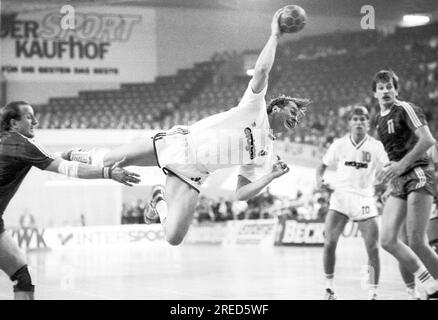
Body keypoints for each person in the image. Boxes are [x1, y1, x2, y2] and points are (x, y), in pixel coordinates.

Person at [65, 9, 311, 247]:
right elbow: (261, 70)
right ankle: (78, 154)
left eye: (299, 117)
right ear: (276, 107)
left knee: (173, 237)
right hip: (179, 145)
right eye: (293, 110)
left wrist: (271, 176)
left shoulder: (266, 151)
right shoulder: (254, 107)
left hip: (194, 174)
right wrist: (275, 36)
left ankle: (158, 201)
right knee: (110, 160)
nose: (296, 118)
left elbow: (241, 194)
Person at [0, 101, 141, 300]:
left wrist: (66, 155)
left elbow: (41, 158)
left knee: (23, 276)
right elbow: (69, 169)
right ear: (14, 123)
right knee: (24, 277)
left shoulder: (11, 144)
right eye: (29, 117)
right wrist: (108, 172)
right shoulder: (21, 144)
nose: (36, 121)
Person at [373, 70, 438, 300]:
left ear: (396, 89)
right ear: (375, 93)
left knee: (417, 241)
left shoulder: (405, 109)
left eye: (389, 86)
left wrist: (400, 166)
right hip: (399, 181)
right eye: (380, 88)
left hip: (419, 173)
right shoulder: (378, 120)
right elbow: (393, 155)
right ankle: (430, 285)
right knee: (388, 240)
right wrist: (390, 180)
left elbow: (429, 140)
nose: (385, 90)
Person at [315, 106, 388, 300]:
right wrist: (319, 181)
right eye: (355, 119)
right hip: (340, 199)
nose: (359, 122)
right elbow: (321, 167)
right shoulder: (339, 144)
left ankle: (372, 292)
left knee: (372, 249)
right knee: (329, 243)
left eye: (363, 119)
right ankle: (329, 289)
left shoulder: (376, 146)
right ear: (349, 123)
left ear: (367, 123)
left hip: (364, 199)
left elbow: (389, 168)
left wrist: (384, 184)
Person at [397, 142, 438, 299]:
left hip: (428, 195)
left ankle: (433, 286)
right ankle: (412, 292)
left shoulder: (429, 143)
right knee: (404, 243)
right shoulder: (394, 141)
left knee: (425, 244)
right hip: (406, 193)